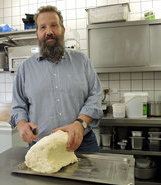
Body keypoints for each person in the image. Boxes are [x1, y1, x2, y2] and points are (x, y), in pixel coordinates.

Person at [9, 5, 103, 153]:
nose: (49, 32)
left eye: (54, 25)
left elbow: (95, 96)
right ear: (37, 34)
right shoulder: (25, 69)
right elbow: (18, 106)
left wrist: (80, 124)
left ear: (63, 30)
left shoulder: (82, 61)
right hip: (42, 146)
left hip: (81, 142)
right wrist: (21, 124)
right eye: (43, 27)